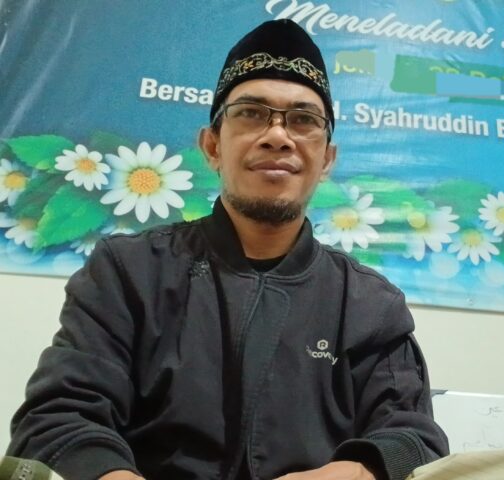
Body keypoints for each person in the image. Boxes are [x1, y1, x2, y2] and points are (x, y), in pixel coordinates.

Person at [6, 19, 449, 480]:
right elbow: (57, 419)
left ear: (327, 161)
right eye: (252, 113)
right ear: (212, 146)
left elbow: (414, 439)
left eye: (303, 120)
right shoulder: (128, 273)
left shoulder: (369, 304)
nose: (278, 136)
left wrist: (355, 473)